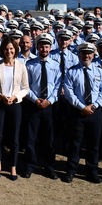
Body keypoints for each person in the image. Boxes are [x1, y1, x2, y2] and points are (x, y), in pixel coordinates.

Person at [63, 42, 102, 184]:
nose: (86, 56)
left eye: (89, 53)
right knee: (75, 144)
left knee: (93, 145)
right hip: (78, 112)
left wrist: (94, 106)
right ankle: (71, 171)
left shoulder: (100, 71)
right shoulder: (71, 71)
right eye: (83, 53)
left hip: (95, 113)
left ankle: (92, 172)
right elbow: (69, 93)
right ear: (79, 54)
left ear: (94, 55)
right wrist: (81, 107)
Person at [0, 37, 29, 181]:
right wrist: (0, 96)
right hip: (0, 104)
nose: (9, 51)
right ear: (2, 50)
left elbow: (26, 88)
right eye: (6, 49)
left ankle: (13, 166)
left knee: (14, 138)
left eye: (11, 48)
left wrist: (15, 97)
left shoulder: (21, 65)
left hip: (15, 105)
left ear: (15, 50)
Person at [23, 33, 62, 179]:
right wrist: (35, 100)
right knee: (30, 138)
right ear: (37, 47)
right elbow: (25, 85)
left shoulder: (55, 65)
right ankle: (29, 165)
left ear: (50, 48)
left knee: (49, 138)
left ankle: (49, 166)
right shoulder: (30, 65)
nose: (44, 49)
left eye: (46, 46)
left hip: (49, 106)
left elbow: (58, 85)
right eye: (41, 46)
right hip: (34, 105)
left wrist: (49, 100)